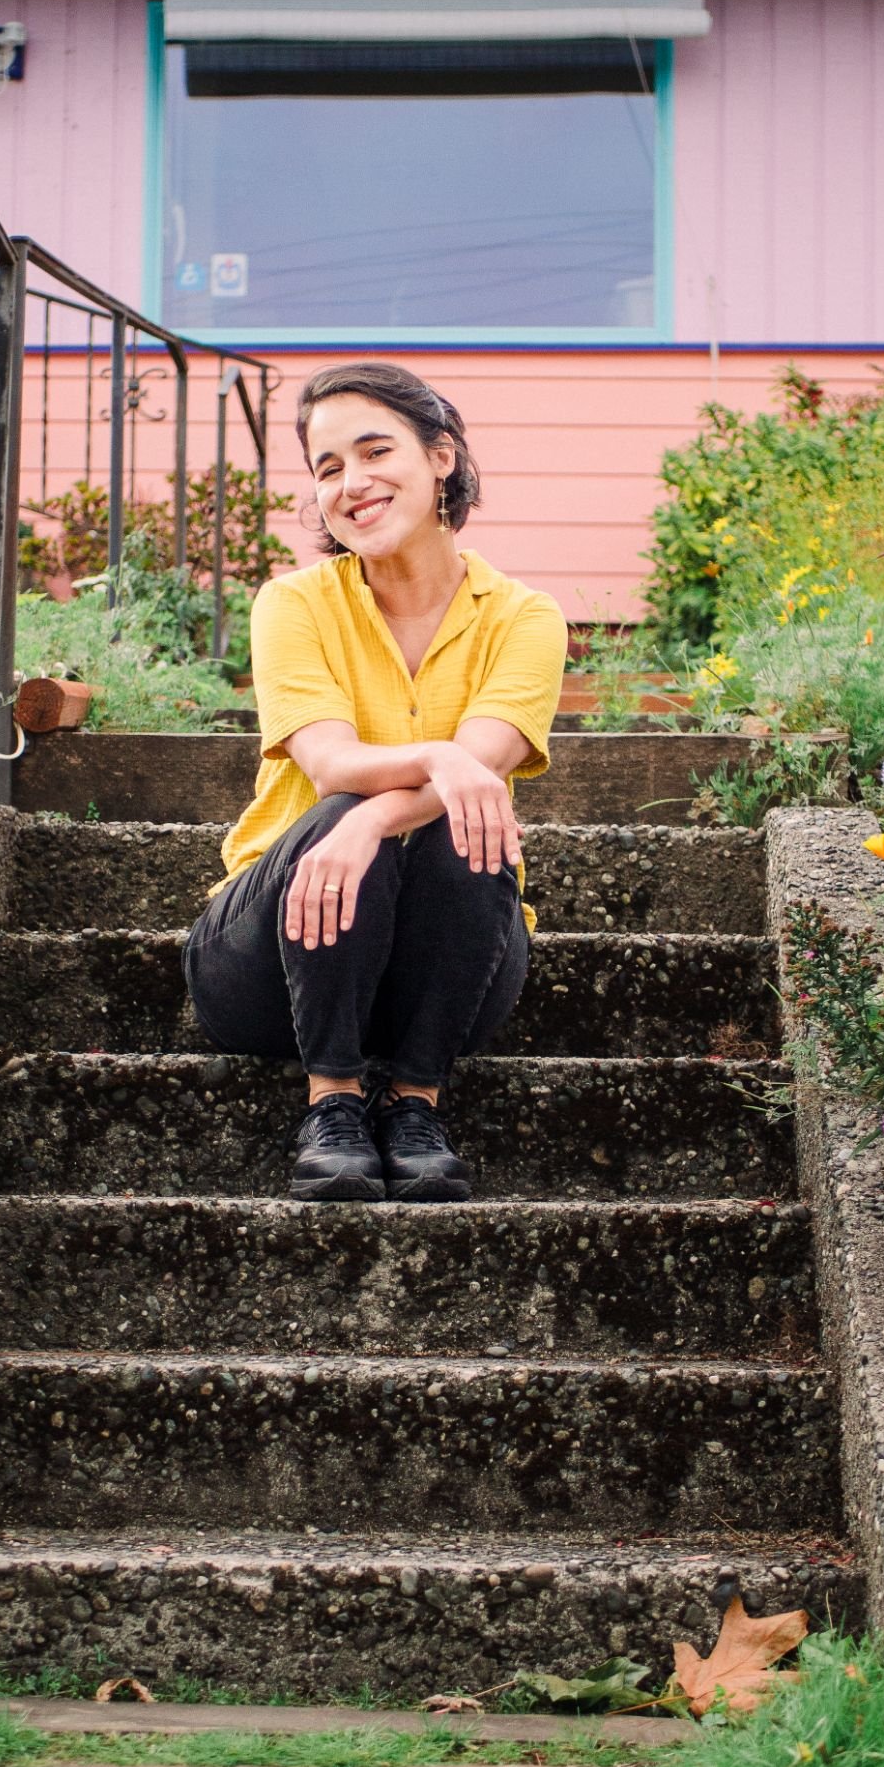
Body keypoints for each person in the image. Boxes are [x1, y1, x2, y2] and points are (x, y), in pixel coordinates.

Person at [182, 360, 567, 1203]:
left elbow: (483, 765)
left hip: (447, 966)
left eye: (372, 452)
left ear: (441, 456)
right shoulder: (293, 604)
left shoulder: (526, 618)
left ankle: (418, 1103)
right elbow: (330, 762)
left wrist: (369, 819)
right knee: (362, 802)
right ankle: (334, 1102)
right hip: (269, 962)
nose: (351, 484)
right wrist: (413, 772)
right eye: (327, 469)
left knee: (466, 824)